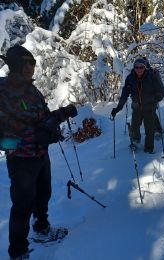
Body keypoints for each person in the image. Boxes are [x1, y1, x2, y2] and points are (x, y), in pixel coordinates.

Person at [0, 45, 77, 260]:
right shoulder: (4, 90)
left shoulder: (32, 90)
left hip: (40, 154)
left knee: (43, 195)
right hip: (22, 159)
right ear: (14, 64)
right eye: (25, 62)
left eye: (32, 63)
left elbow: (42, 119)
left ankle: (41, 228)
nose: (30, 67)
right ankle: (18, 252)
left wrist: (62, 114)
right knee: (22, 206)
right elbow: (15, 127)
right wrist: (32, 135)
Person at [111, 58, 164, 153]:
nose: (139, 69)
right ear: (134, 67)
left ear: (145, 67)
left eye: (141, 67)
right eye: (136, 67)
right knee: (135, 126)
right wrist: (118, 108)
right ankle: (135, 141)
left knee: (149, 130)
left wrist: (156, 99)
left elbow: (161, 91)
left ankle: (149, 149)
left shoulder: (152, 76)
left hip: (149, 108)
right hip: (137, 107)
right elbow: (124, 95)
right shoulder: (130, 78)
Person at [142, 57, 164, 135]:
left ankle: (158, 129)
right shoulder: (141, 72)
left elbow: (160, 84)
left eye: (145, 63)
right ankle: (155, 128)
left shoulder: (153, 72)